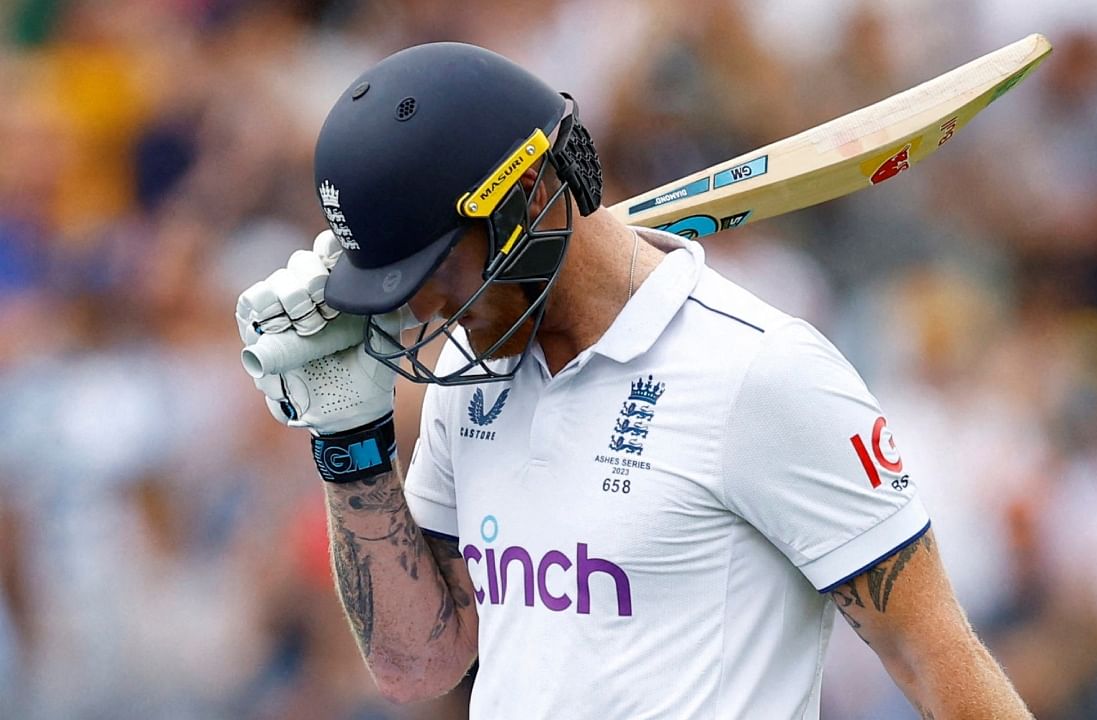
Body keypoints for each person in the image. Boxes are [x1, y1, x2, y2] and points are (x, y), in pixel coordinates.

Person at [235, 42, 1032, 719]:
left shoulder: (760, 375)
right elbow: (420, 665)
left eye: (430, 269)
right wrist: (352, 443)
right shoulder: (465, 378)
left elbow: (933, 660)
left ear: (529, 196)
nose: (420, 310)